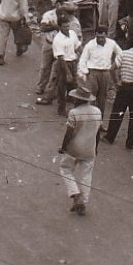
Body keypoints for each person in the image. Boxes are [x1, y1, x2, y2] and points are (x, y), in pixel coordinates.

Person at [57, 85, 102, 215]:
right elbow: (98, 133)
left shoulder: (74, 113)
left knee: (65, 169)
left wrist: (63, 147)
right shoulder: (97, 111)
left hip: (74, 148)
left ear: (78, 100)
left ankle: (75, 193)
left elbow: (69, 133)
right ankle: (83, 201)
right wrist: (96, 148)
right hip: (90, 148)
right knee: (86, 175)